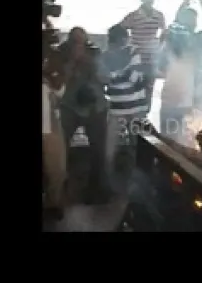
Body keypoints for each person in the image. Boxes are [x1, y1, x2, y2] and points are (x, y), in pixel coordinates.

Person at [58, 27, 111, 204]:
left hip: (94, 107)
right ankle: (59, 187)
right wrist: (71, 64)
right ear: (69, 43)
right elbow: (57, 82)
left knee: (98, 149)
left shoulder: (95, 54)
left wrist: (91, 64)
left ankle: (96, 189)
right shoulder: (62, 54)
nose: (79, 46)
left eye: (82, 42)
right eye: (75, 42)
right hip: (70, 106)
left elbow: (106, 78)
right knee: (60, 148)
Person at [158, 0, 202, 143]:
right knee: (172, 140)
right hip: (175, 101)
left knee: (182, 140)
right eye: (190, 19)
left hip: (184, 102)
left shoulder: (193, 40)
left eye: (193, 20)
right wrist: (196, 2)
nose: (192, 22)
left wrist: (197, 2)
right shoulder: (175, 37)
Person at [101, 24, 148, 187]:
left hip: (130, 109)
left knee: (135, 145)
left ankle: (133, 182)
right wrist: (120, 75)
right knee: (113, 148)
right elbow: (107, 78)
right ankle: (111, 183)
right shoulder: (109, 55)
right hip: (123, 109)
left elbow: (132, 77)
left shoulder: (132, 52)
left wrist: (113, 76)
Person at [120, 0, 166, 112]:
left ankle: (144, 118)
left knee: (149, 90)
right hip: (136, 60)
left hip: (152, 60)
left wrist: (159, 48)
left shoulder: (159, 15)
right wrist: (130, 48)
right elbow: (119, 29)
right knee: (135, 88)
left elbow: (164, 33)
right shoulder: (133, 16)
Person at [42, 46, 67, 221]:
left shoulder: (51, 63)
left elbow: (59, 91)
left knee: (56, 168)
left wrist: (51, 74)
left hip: (49, 126)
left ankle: (52, 203)